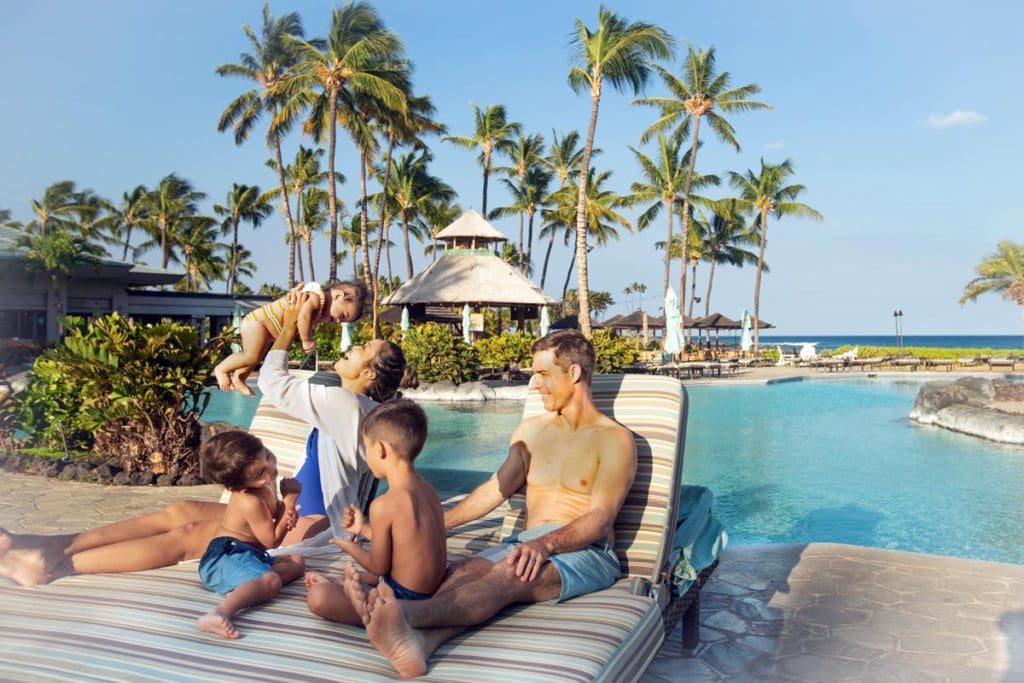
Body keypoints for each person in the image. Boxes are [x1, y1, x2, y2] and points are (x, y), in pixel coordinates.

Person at [0, 294, 415, 587]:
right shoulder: (354, 405)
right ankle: (44, 544)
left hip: (310, 526)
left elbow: (274, 381)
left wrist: (288, 328)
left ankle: (56, 568)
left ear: (371, 374)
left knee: (188, 537)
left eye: (363, 347)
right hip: (295, 510)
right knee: (179, 509)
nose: (353, 343)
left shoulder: (345, 403)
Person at [343, 330, 637, 679]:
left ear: (573, 374)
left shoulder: (614, 439)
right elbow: (494, 491)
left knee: (507, 576)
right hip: (527, 544)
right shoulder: (530, 431)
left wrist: (545, 544)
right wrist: (435, 525)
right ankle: (419, 645)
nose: (533, 385)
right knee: (463, 571)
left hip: (586, 552)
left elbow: (601, 518)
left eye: (542, 374)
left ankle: (398, 615)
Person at [305, 399, 446, 625]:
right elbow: (407, 542)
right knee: (364, 578)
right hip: (430, 590)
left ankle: (377, 612)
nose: (365, 454)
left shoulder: (384, 504)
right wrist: (363, 529)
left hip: (402, 597)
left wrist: (350, 547)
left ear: (380, 449)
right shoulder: (428, 490)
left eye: (366, 447)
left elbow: (378, 566)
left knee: (318, 598)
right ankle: (346, 586)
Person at [195, 431, 305, 639]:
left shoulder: (266, 484)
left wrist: (286, 513)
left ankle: (248, 588)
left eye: (268, 457)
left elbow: (276, 515)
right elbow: (270, 541)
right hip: (223, 558)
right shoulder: (249, 500)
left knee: (296, 561)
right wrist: (290, 500)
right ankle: (219, 613)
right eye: (259, 476)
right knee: (271, 580)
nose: (270, 472)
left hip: (248, 556)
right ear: (239, 487)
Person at [214, 280, 367, 396]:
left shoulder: (320, 312)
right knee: (251, 355)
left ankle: (239, 377)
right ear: (339, 295)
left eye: (345, 321)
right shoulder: (315, 298)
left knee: (256, 357)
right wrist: (306, 339)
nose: (340, 321)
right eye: (345, 315)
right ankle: (221, 369)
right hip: (258, 323)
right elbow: (303, 316)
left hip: (269, 331)